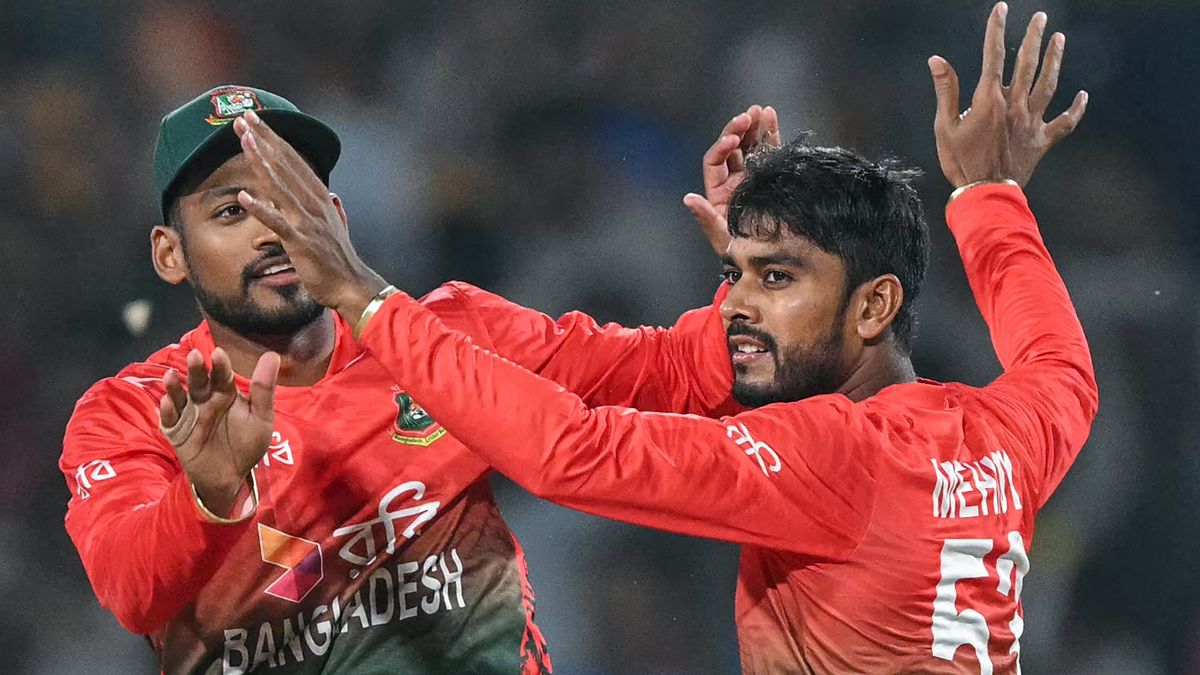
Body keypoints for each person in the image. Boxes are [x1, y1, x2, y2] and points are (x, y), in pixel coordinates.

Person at [245, 4, 1096, 672]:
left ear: (874, 308)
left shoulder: (834, 453)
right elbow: (1061, 368)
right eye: (737, 272)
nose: (735, 304)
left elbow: (571, 453)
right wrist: (988, 193)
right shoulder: (1001, 438)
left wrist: (366, 298)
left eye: (777, 277)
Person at [60, 85, 760, 673]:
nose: (272, 230)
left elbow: (684, 375)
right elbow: (131, 592)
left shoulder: (447, 331)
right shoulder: (134, 412)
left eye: (291, 199)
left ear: (334, 218)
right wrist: (207, 497)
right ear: (170, 254)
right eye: (230, 211)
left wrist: (754, 274)